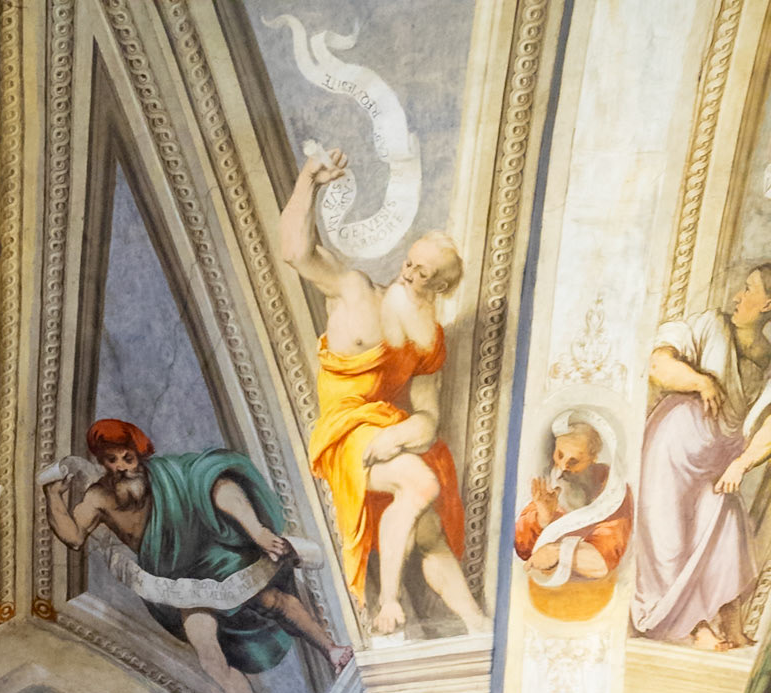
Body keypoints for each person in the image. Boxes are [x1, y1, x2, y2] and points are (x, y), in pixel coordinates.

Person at [43, 418, 351, 693]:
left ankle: (332, 650)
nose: (120, 467)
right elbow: (73, 537)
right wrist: (53, 496)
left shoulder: (170, 472)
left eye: (127, 458)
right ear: (101, 461)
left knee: (271, 600)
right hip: (179, 583)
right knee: (210, 659)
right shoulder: (99, 497)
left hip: (214, 558)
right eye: (111, 460)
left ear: (139, 452)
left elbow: (217, 484)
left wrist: (257, 531)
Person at [281, 152, 486, 639]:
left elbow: (428, 410)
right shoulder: (355, 291)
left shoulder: (427, 339)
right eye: (409, 263)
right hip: (345, 430)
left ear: (440, 286)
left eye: (422, 274)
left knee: (429, 531)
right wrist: (309, 180)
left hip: (385, 432)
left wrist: (406, 432)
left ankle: (475, 622)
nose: (407, 275)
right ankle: (389, 603)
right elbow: (295, 252)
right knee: (421, 483)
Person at [632, 266, 771, 648]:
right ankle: (691, 626)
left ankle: (729, 623)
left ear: (767, 304)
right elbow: (658, 364)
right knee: (668, 538)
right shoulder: (710, 325)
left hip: (720, 458)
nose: (738, 297)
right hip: (671, 449)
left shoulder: (769, 357)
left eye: (749, 290)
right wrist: (699, 380)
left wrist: (742, 463)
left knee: (727, 530)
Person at [514, 416, 634, 591]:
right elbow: (523, 548)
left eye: (574, 461)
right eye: (560, 455)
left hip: (592, 594)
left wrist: (556, 552)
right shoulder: (555, 482)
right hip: (538, 591)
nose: (563, 467)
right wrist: (542, 518)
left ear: (593, 458)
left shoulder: (612, 492)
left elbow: (602, 561)